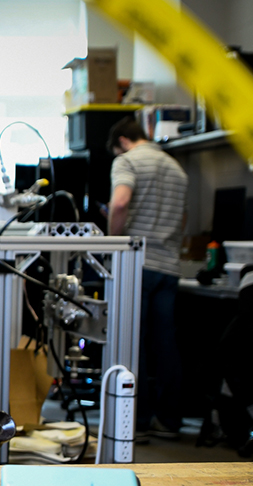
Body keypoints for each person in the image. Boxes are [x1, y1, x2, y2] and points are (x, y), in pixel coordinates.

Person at [107, 118, 187, 439]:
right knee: (166, 345)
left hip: (136, 263)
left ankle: (132, 423)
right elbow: (182, 219)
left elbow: (121, 202)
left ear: (124, 141)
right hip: (169, 265)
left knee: (130, 344)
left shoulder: (127, 161)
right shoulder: (177, 168)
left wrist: (113, 241)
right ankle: (169, 420)